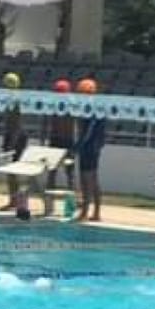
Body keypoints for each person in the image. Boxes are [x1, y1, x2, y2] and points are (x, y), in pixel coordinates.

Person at [0, 73, 30, 213]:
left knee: (13, 171)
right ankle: (14, 200)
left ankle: (17, 201)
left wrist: (11, 144)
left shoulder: (15, 101)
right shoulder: (9, 100)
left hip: (17, 137)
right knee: (10, 172)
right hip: (11, 136)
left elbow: (16, 124)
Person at [75, 80, 108, 222]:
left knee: (86, 179)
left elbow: (88, 131)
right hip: (93, 145)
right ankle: (96, 212)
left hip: (89, 146)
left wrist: (79, 145)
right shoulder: (97, 106)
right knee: (93, 179)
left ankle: (85, 212)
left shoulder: (91, 108)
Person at [46, 79, 77, 191]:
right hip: (57, 138)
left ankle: (71, 194)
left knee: (69, 170)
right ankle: (50, 193)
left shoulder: (71, 104)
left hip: (66, 139)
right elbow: (48, 121)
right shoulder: (54, 103)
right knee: (52, 169)